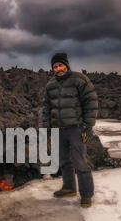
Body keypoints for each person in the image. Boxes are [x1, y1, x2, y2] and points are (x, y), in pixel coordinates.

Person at [40, 52, 99, 208]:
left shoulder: (79, 80)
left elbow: (91, 101)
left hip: (76, 129)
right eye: (55, 66)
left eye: (60, 65)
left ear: (66, 65)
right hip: (58, 129)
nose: (58, 68)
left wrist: (88, 125)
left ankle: (86, 195)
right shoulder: (50, 85)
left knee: (80, 162)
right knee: (64, 160)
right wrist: (46, 128)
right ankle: (69, 188)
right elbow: (46, 108)